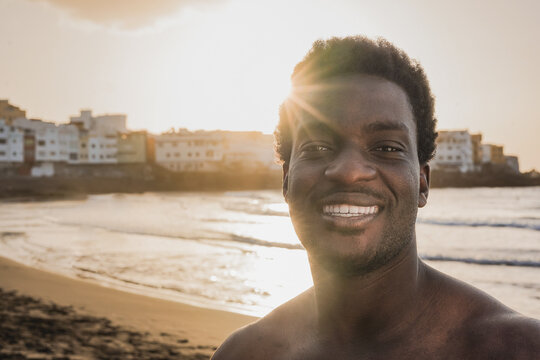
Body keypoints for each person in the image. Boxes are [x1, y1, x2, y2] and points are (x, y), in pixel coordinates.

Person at [212, 36, 540, 360]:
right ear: (287, 180)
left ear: (423, 183)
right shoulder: (244, 353)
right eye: (317, 147)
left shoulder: (519, 349)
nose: (349, 171)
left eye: (386, 148)